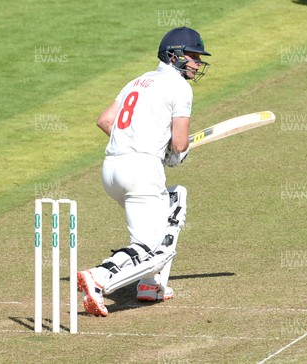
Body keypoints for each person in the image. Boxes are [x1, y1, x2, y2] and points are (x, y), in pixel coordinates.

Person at [77, 27, 211, 317]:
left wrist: (142, 147)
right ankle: (100, 277)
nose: (197, 63)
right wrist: (174, 155)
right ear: (174, 55)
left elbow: (105, 121)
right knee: (154, 250)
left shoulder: (137, 81)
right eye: (193, 56)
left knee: (175, 197)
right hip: (141, 171)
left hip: (111, 168)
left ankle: (151, 285)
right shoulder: (180, 87)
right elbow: (179, 143)